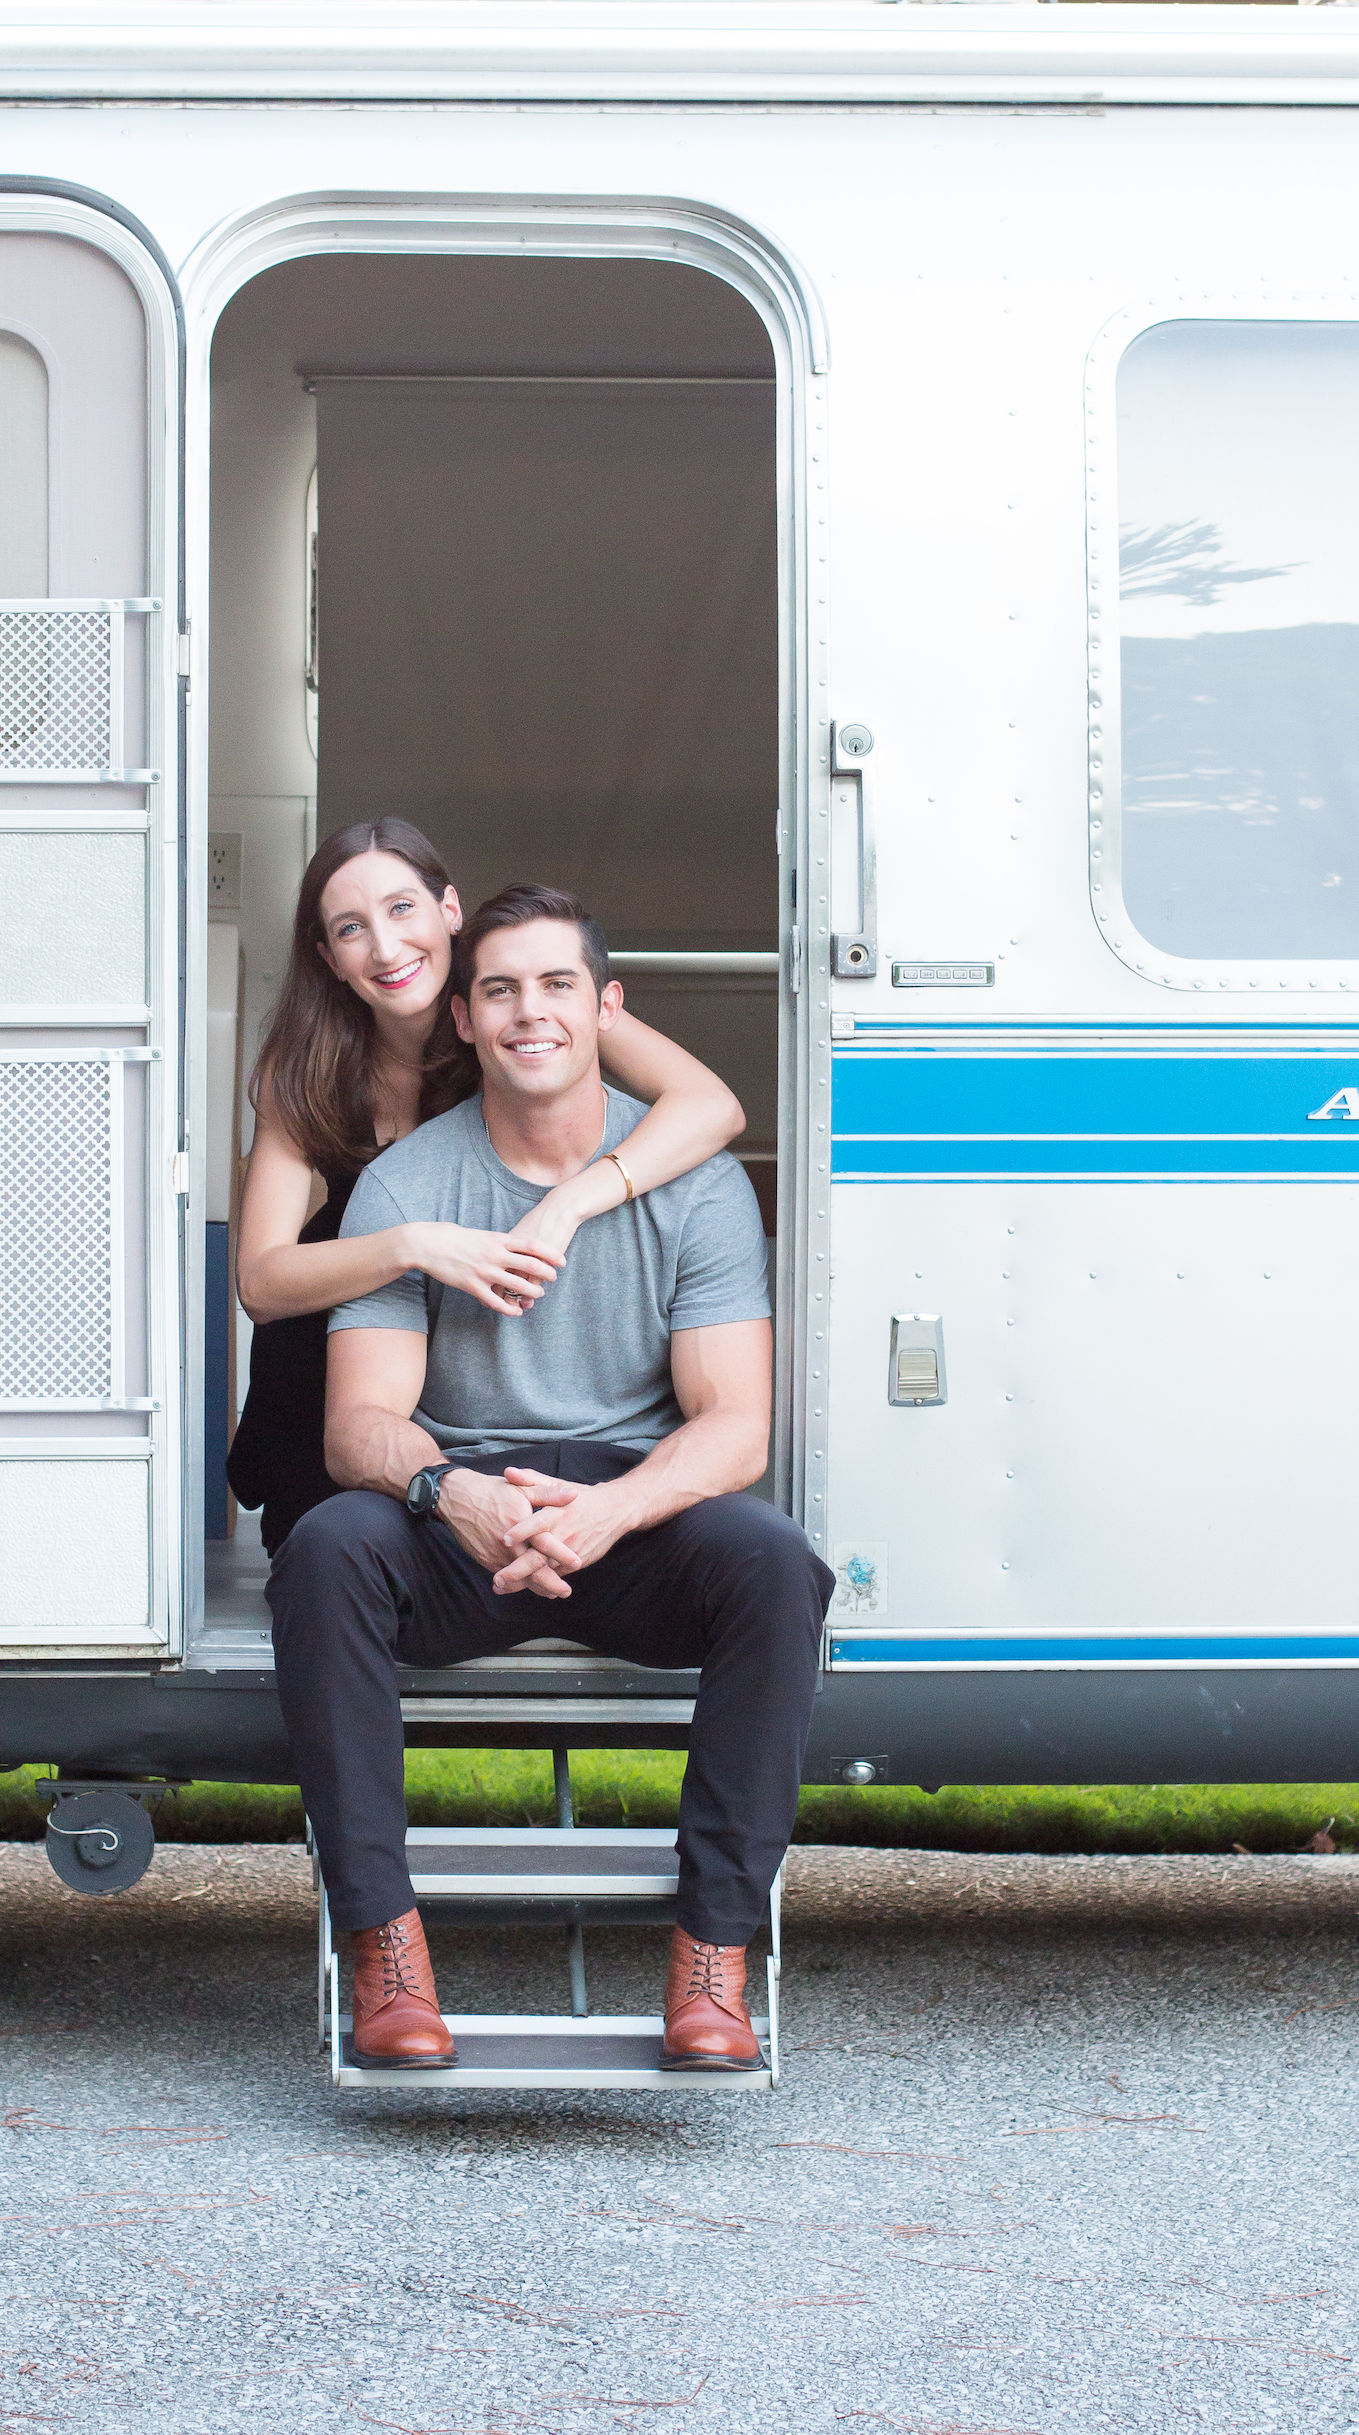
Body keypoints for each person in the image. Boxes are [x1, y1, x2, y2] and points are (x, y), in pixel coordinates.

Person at [268, 882, 834, 2072]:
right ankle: (384, 1953)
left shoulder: (693, 1181)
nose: (532, 1013)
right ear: (464, 1022)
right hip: (463, 1514)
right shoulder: (409, 1188)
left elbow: (734, 1427)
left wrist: (618, 1508)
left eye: (557, 986)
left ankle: (712, 1965)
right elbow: (357, 1425)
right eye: (501, 991)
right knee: (325, 1552)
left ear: (604, 1005)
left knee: (774, 1566)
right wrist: (449, 1494)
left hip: (621, 1517)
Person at [229, 817, 748, 1554]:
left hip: (477, 1348)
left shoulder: (516, 1014)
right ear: (328, 957)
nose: (385, 946)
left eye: (403, 909)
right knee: (328, 1551)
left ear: (449, 912)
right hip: (341, 1338)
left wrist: (567, 1202)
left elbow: (712, 1107)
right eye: (351, 928)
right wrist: (416, 1245)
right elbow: (262, 1280)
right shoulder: (305, 1070)